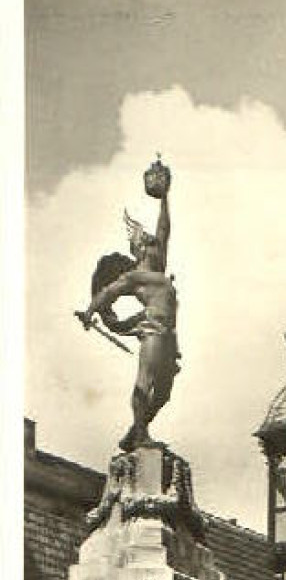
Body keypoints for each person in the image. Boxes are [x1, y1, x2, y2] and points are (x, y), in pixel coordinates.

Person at [76, 161, 180, 453]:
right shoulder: (134, 278)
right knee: (145, 380)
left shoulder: (159, 268)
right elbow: (106, 295)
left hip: (170, 334)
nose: (152, 239)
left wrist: (165, 198)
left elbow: (165, 228)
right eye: (146, 239)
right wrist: (89, 311)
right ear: (140, 249)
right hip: (154, 328)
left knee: (165, 393)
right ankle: (141, 435)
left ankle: (135, 430)